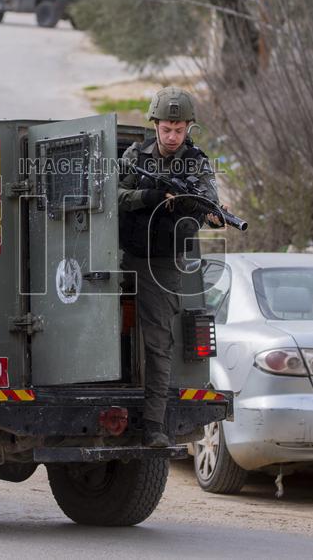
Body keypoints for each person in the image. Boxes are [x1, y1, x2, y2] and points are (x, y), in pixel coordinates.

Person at [118, 86, 222, 447]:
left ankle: (153, 424)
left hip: (161, 262)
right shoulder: (136, 155)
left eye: (179, 129)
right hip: (121, 254)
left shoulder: (196, 163)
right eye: (166, 129)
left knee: (159, 342)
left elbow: (211, 206)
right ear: (156, 125)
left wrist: (196, 209)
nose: (172, 136)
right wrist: (146, 197)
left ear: (188, 128)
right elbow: (111, 194)